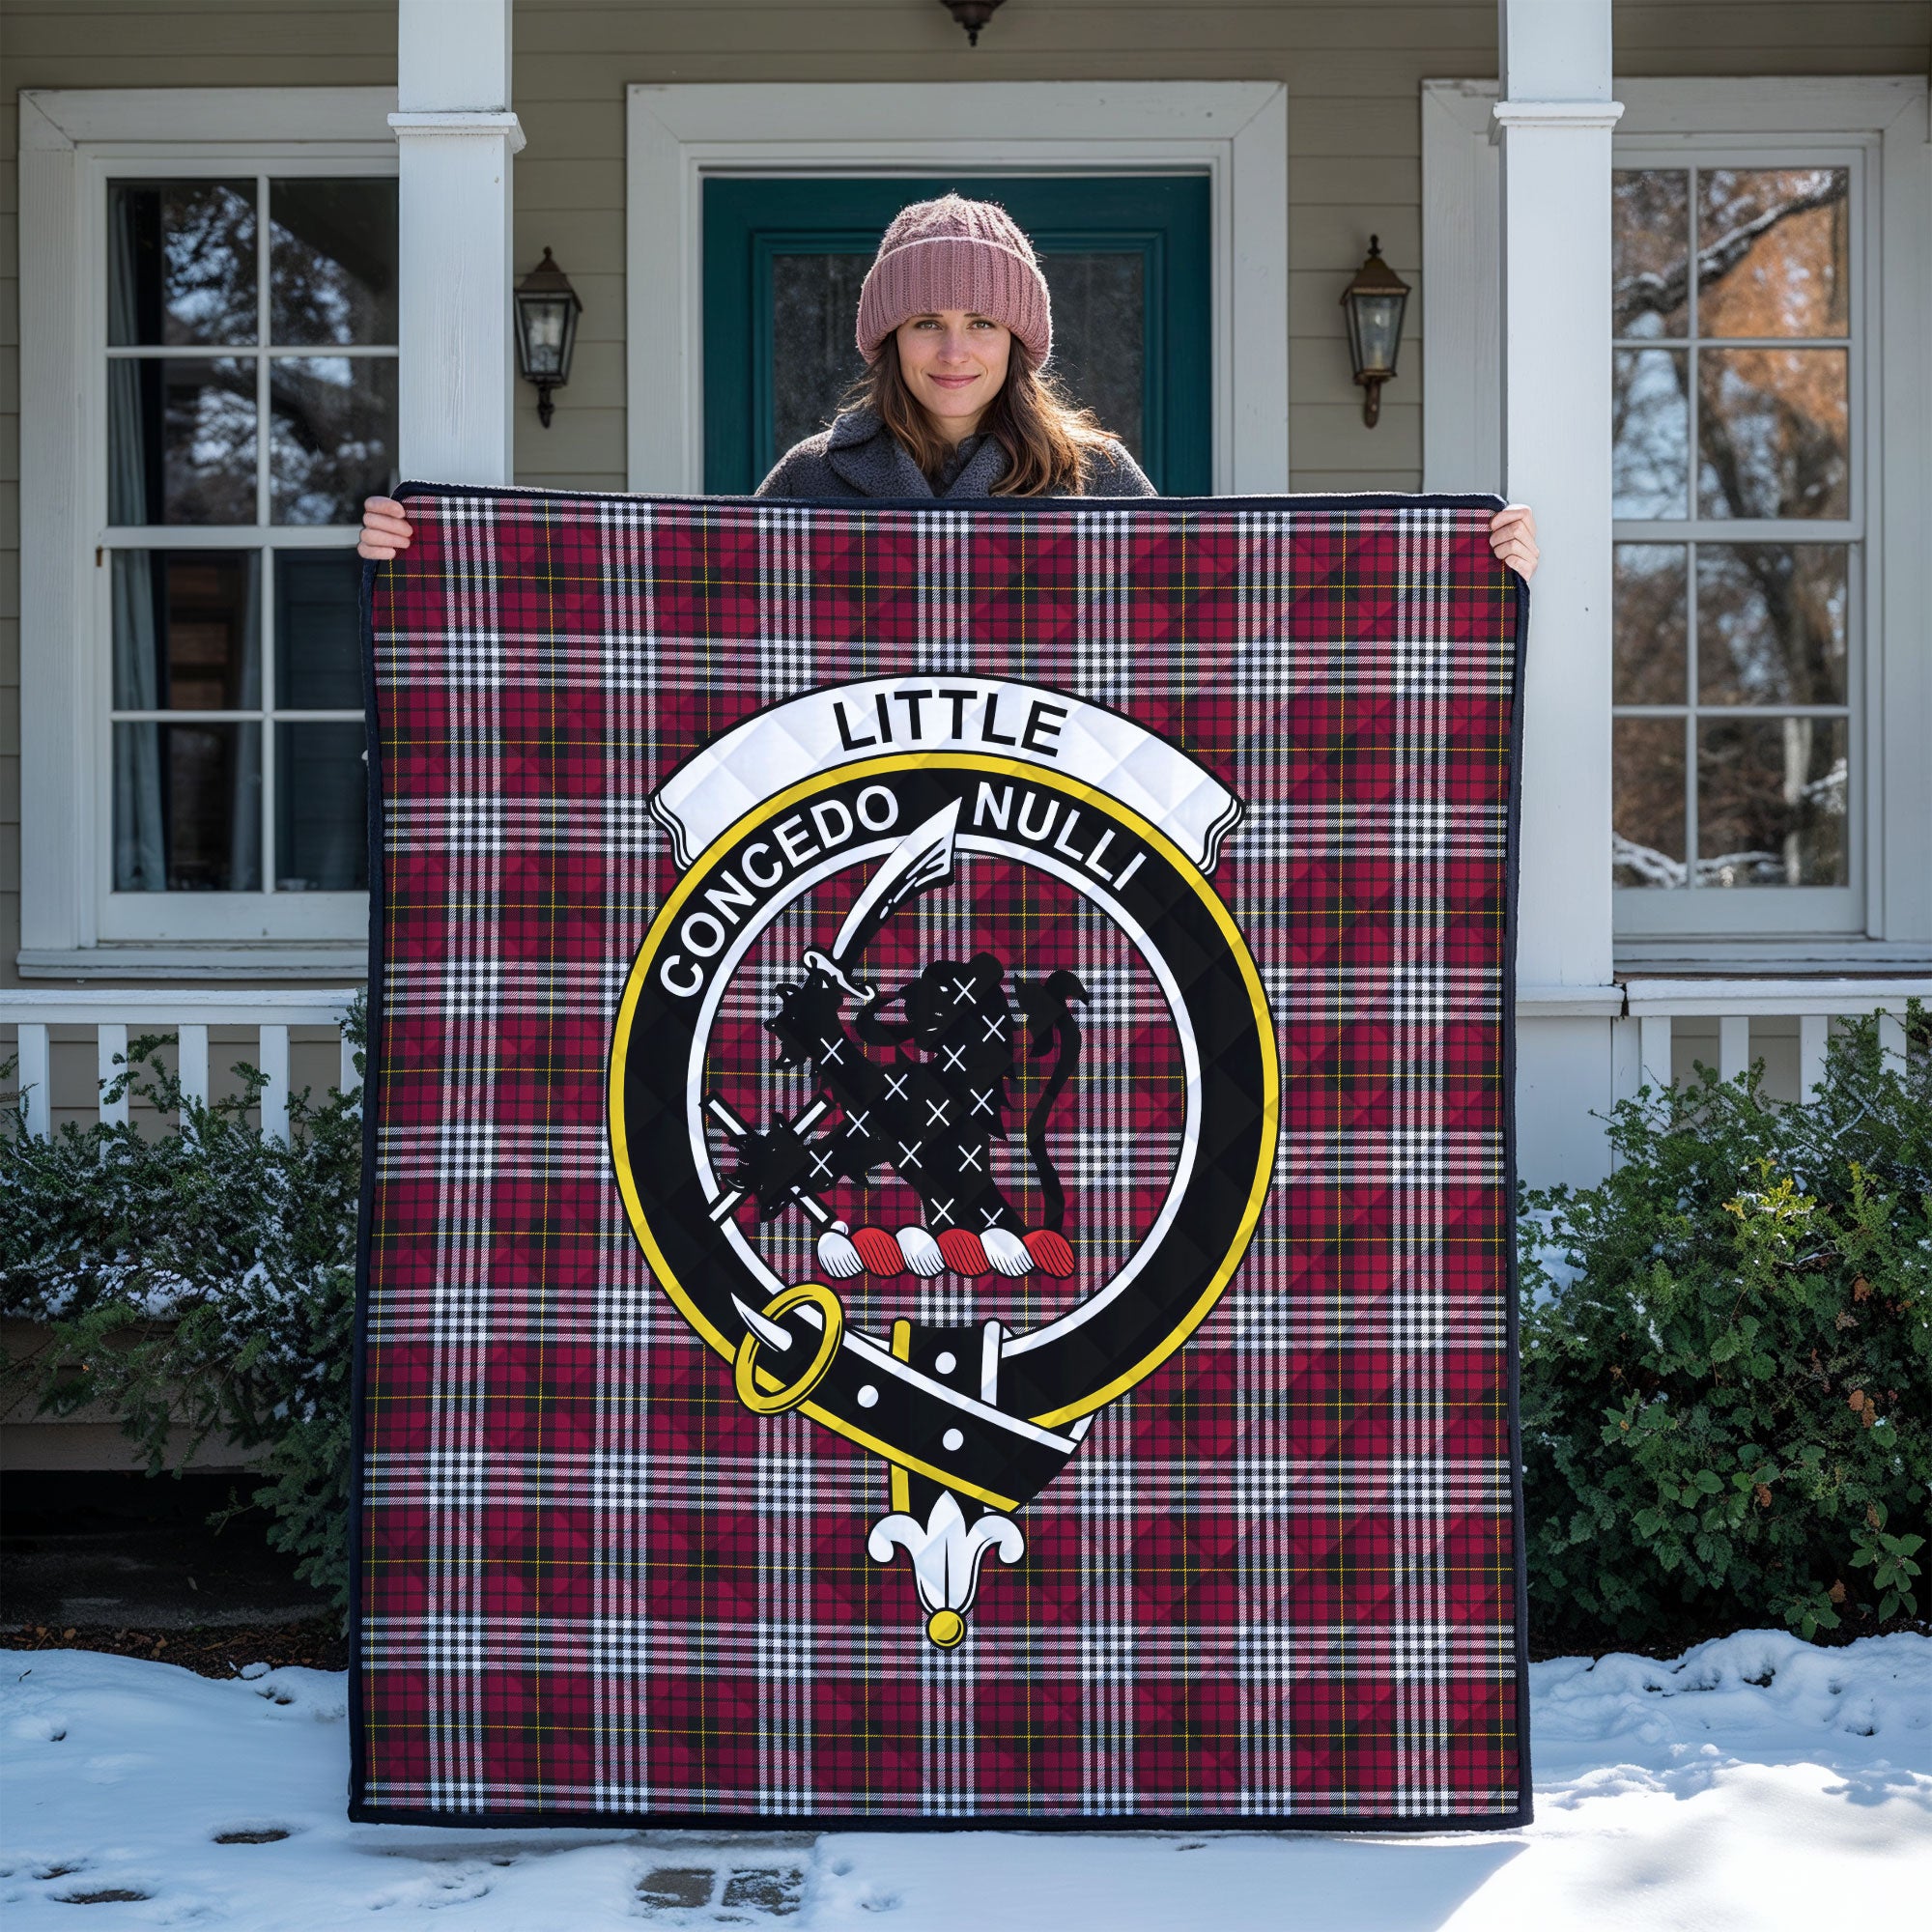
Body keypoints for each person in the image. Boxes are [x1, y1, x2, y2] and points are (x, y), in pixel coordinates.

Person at [360, 192, 1539, 574]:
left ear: (1018, 343)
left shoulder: (1095, 478)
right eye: (925, 321)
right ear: (886, 339)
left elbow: (1213, 628)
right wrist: (440, 553)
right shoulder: (814, 480)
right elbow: (688, 613)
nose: (952, 348)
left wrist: (1457, 565)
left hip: (1057, 834)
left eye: (979, 322)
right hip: (848, 831)